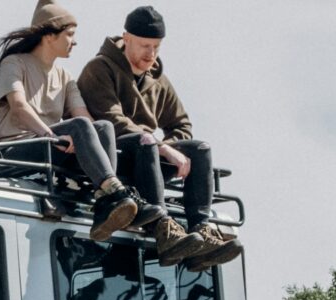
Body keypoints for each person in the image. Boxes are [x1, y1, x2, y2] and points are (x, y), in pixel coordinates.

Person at [79, 6, 243, 273]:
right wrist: (164, 148)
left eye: (156, 46)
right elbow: (112, 121)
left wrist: (169, 148)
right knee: (144, 141)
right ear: (126, 38)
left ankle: (200, 232)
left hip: (150, 157)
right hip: (116, 159)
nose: (151, 54)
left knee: (200, 149)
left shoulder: (158, 78)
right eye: (145, 46)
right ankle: (163, 227)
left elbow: (182, 124)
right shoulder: (99, 69)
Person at [0, 0, 147, 241]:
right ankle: (112, 190)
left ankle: (105, 199)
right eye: (69, 34)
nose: (75, 41)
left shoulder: (65, 76)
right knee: (81, 127)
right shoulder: (15, 63)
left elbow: (84, 118)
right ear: (49, 36)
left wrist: (83, 137)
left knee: (102, 126)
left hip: (47, 149)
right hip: (12, 151)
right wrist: (53, 137)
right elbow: (19, 106)